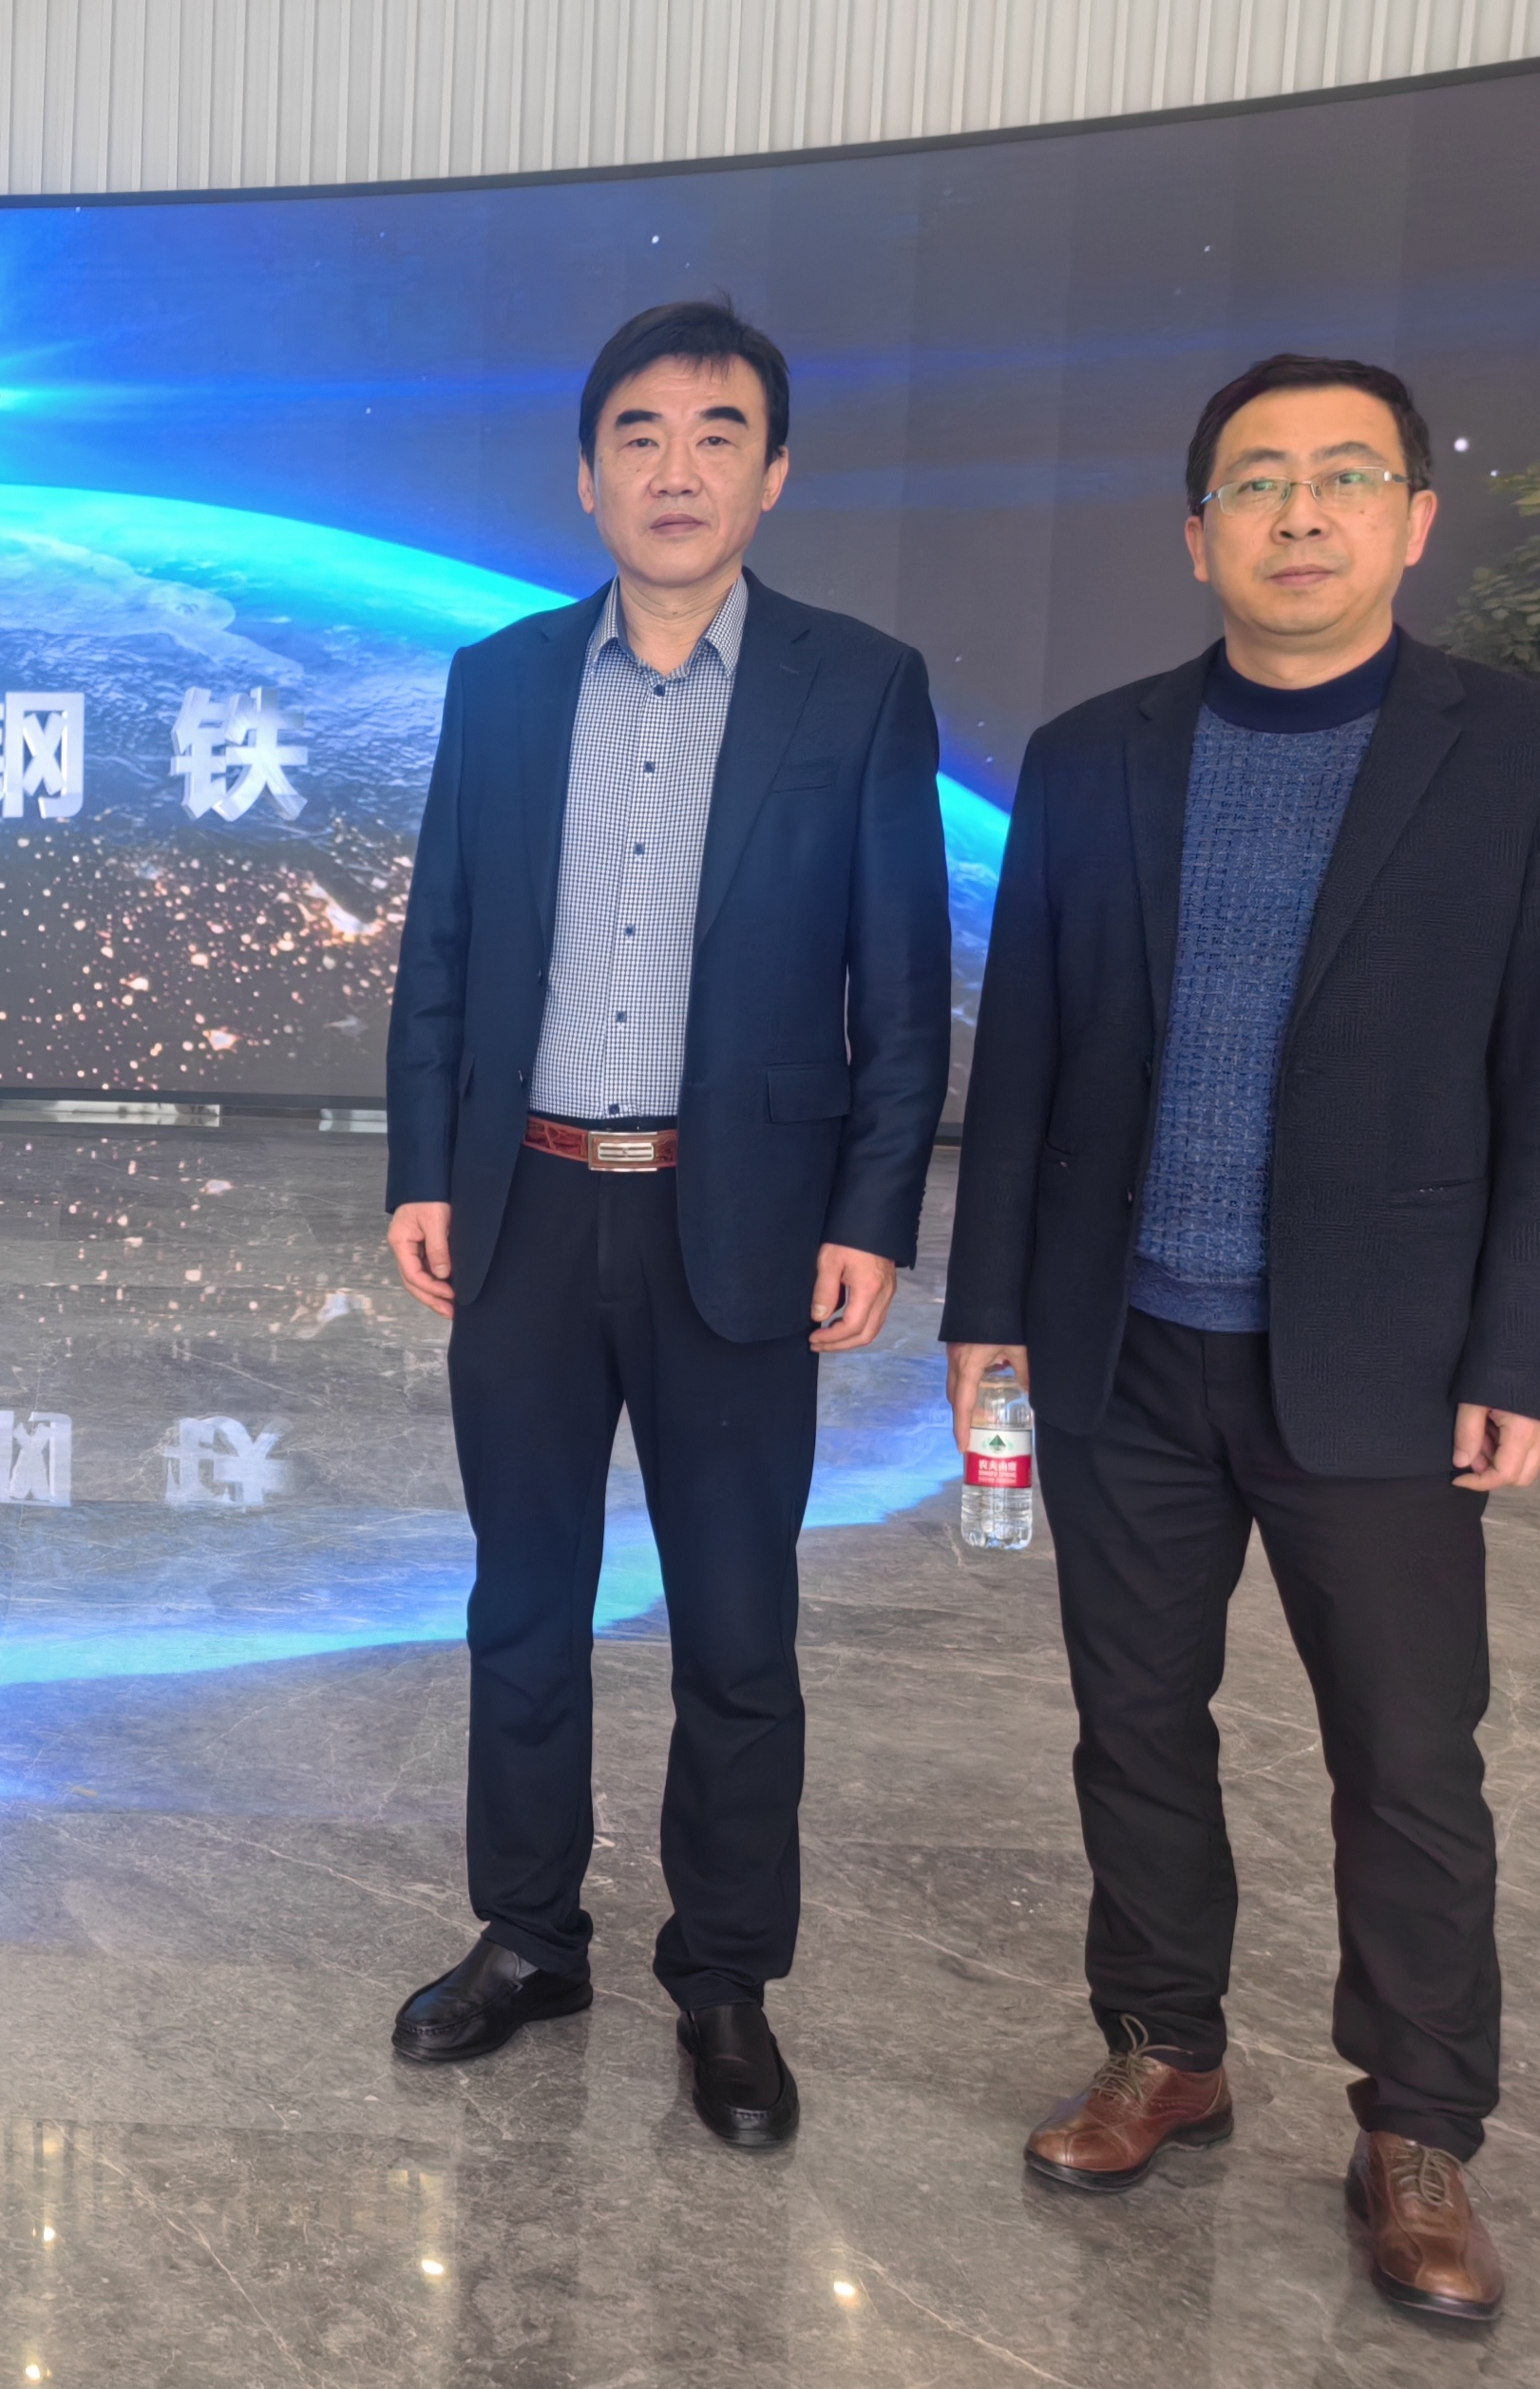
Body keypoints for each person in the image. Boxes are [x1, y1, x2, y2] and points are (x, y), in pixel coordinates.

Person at [942, 354, 1540, 2321]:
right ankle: (1164, 2045)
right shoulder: (1094, 756)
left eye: (1343, 477)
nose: (1298, 514)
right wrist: (989, 1314)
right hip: (1125, 1345)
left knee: (1406, 1758)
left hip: (1384, 1360)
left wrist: (1522, 1349)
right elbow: (1029, 1051)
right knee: (1135, 1723)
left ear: (1412, 517)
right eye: (1255, 483)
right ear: (1196, 533)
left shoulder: (1524, 755)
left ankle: (1419, 2129)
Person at [381, 298, 949, 2145]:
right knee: (522, 1604)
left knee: (737, 1629)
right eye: (640, 433)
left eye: (718, 435)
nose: (677, 468)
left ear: (773, 474)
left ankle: (723, 1980)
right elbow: (443, 952)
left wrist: (872, 1209)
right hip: (531, 1211)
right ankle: (530, 1935)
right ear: (587, 475)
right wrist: (422, 1168)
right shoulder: (499, 683)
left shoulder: (857, 688)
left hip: (742, 1220)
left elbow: (901, 985)